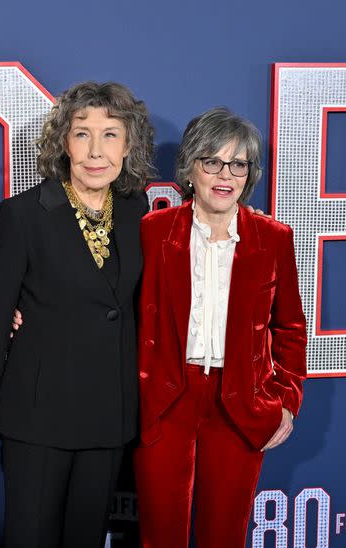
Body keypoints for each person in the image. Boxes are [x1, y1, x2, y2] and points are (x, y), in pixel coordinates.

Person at [0, 81, 155, 548]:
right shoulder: (23, 215)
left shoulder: (138, 212)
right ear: (63, 142)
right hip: (38, 417)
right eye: (82, 134)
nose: (95, 151)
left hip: (108, 417)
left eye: (111, 134)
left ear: (129, 144)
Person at [134, 107, 307, 547]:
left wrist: (285, 400)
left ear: (250, 174)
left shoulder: (273, 237)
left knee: (224, 534)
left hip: (239, 401)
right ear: (190, 169)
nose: (224, 174)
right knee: (161, 533)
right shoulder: (153, 231)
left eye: (238, 163)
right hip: (168, 399)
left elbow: (289, 327)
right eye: (211, 161)